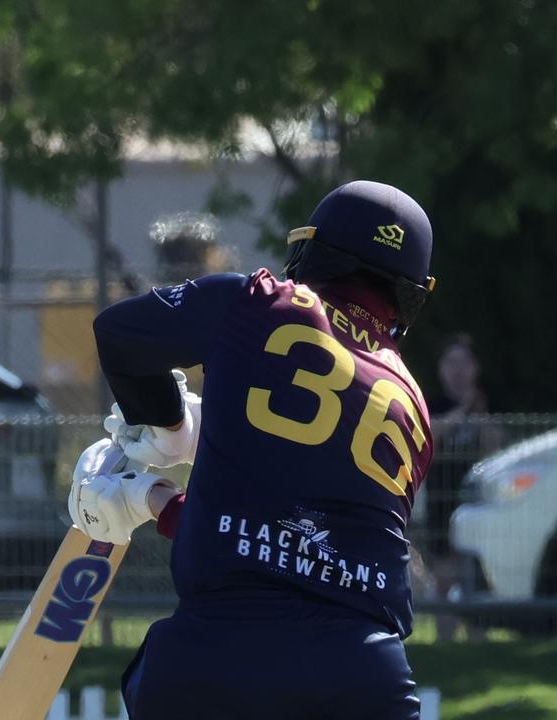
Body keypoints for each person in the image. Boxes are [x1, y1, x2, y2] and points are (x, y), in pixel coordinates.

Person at [69, 180, 437, 719]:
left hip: (213, 663)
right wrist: (161, 497)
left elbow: (117, 335)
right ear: (412, 290)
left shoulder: (253, 301)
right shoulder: (412, 405)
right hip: (364, 679)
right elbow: (311, 553)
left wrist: (166, 440)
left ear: (312, 247)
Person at [423, 332, 500, 639]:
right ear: (441, 368)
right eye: (451, 362)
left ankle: (478, 642)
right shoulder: (433, 402)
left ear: (475, 367)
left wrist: (478, 412)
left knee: (478, 576)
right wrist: (460, 412)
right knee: (445, 578)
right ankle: (445, 644)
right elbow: (430, 438)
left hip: (478, 501)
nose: (458, 370)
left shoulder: (487, 402)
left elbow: (495, 448)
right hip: (443, 501)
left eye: (464, 362)